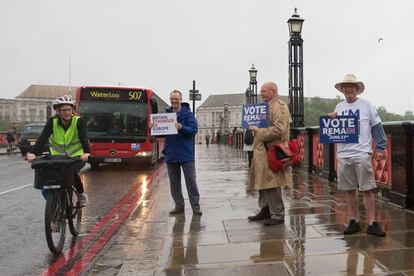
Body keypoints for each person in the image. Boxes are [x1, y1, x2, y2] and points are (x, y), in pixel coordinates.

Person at [329, 74, 387, 237]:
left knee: (367, 190)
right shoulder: (338, 107)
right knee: (349, 190)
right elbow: (334, 130)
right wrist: (331, 119)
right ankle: (353, 221)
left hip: (362, 153)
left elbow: (377, 127)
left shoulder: (367, 105)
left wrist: (381, 147)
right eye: (345, 87)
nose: (349, 89)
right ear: (342, 90)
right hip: (343, 154)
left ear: (357, 89)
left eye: (352, 86)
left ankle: (371, 223)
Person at [26, 95, 90, 207]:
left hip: (76, 156)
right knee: (47, 178)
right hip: (57, 157)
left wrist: (86, 152)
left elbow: (84, 138)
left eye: (69, 109)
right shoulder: (52, 121)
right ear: (57, 111)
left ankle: (81, 194)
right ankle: (55, 204)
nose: (67, 112)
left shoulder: (78, 121)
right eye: (64, 110)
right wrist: (33, 153)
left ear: (73, 109)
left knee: (73, 173)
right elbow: (43, 138)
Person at [247, 82, 292, 226]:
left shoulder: (279, 106)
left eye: (264, 91)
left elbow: (279, 129)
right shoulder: (265, 106)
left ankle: (278, 214)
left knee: (272, 182)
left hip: (271, 150)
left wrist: (258, 131)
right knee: (261, 180)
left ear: (273, 91)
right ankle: (265, 209)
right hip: (262, 150)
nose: (261, 93)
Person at [161, 90, 202, 216]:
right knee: (174, 183)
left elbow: (193, 130)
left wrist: (181, 127)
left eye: (176, 99)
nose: (174, 101)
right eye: (172, 99)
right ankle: (179, 206)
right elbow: (160, 134)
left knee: (191, 182)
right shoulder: (166, 115)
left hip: (186, 154)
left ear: (180, 99)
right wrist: (152, 127)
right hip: (171, 153)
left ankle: (196, 207)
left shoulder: (188, 115)